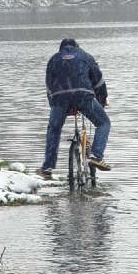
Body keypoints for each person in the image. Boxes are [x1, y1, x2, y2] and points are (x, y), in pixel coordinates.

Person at [37, 38, 111, 179]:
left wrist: (55, 106)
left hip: (60, 98)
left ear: (61, 48)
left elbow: (49, 86)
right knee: (103, 123)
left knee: (54, 129)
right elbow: (99, 81)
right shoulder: (85, 56)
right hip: (83, 96)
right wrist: (102, 100)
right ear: (76, 46)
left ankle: (47, 168)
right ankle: (96, 155)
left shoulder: (53, 59)